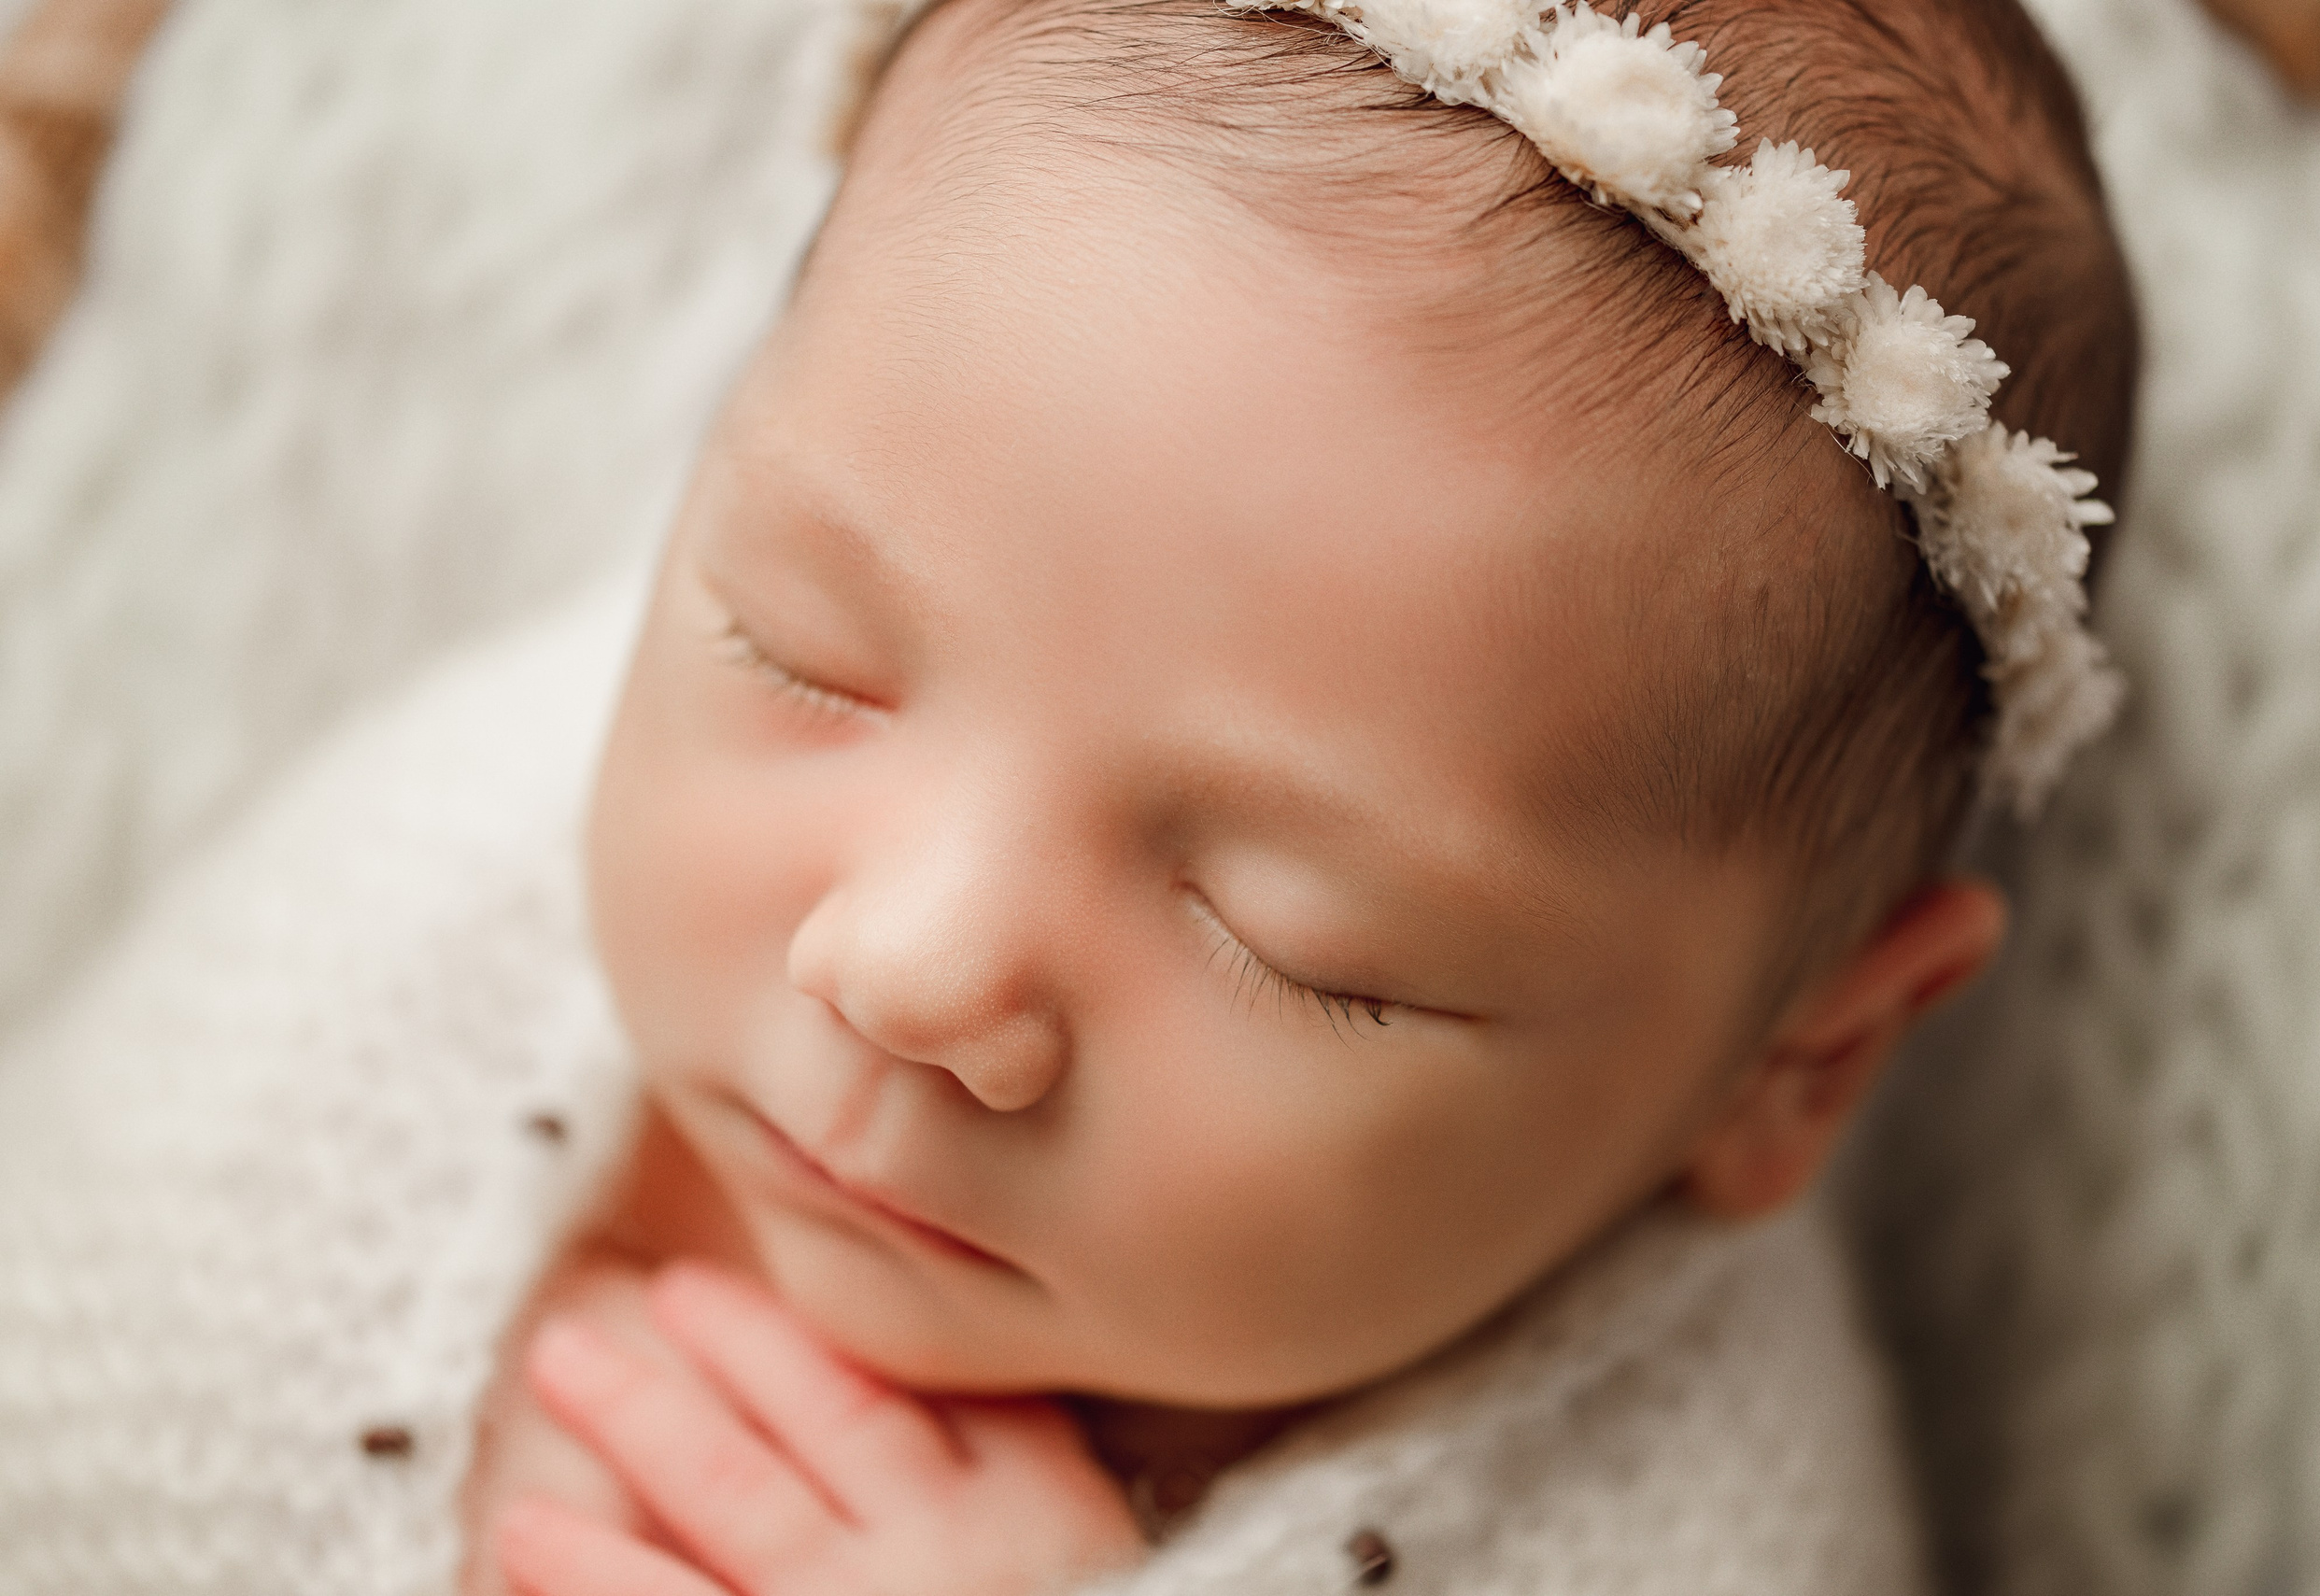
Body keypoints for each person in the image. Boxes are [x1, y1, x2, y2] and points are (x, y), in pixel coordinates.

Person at [0, 0, 2139, 1590]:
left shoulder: (1696, 1529)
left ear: (1794, 1063)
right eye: (797, 654)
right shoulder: (407, 939)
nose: (910, 964)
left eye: (1298, 946)